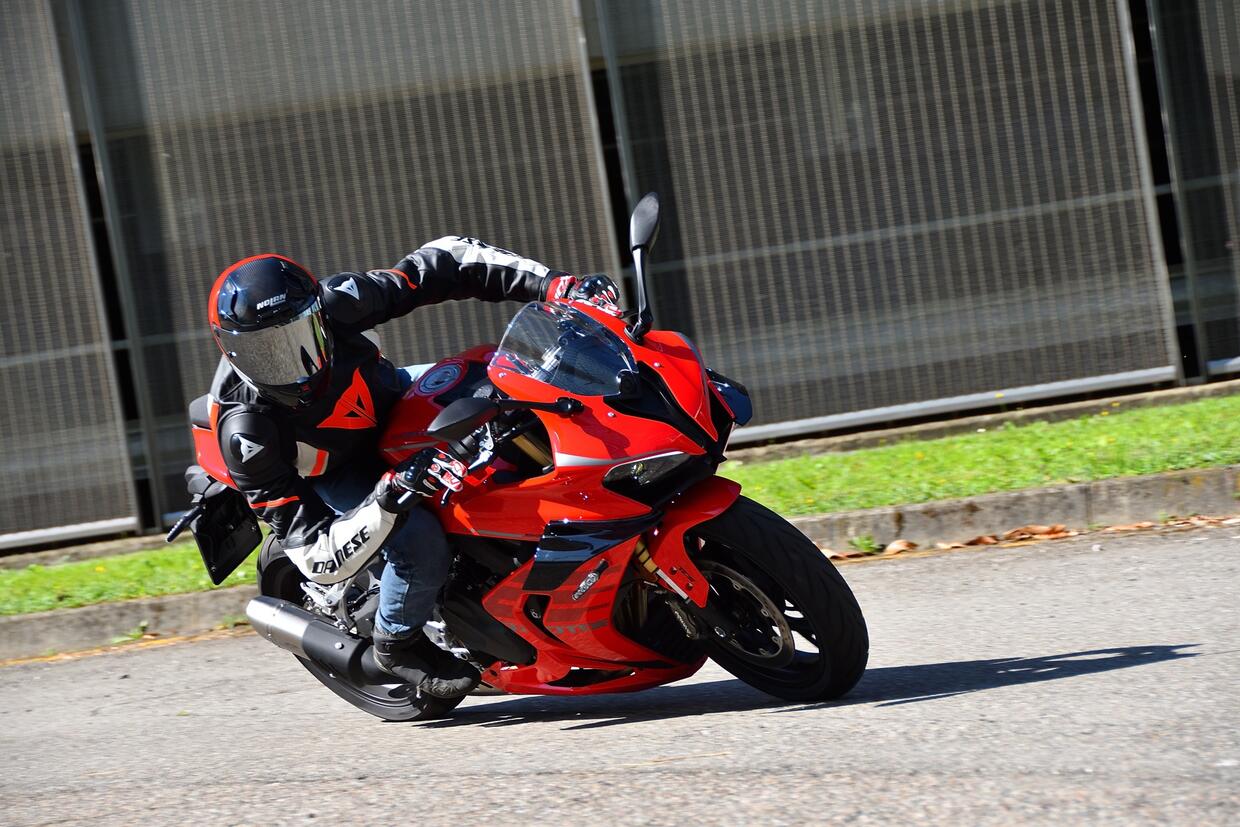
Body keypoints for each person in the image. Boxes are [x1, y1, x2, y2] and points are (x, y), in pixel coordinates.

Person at [205, 237, 620, 698]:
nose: (290, 364)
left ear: (319, 314)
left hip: (394, 399)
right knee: (418, 542)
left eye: (298, 336)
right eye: (266, 353)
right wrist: (388, 497)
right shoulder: (247, 432)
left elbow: (442, 262)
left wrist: (557, 286)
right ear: (233, 353)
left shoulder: (342, 300)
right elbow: (313, 553)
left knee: (518, 386)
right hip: (337, 468)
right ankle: (396, 642)